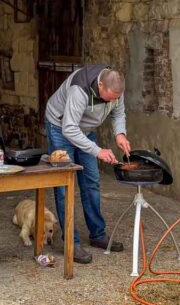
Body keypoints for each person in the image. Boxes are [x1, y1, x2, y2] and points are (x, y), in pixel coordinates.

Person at [44, 65, 131, 264]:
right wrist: (98, 150)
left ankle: (97, 234)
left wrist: (120, 134)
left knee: (91, 182)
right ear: (100, 85)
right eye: (109, 98)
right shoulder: (79, 89)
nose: (113, 101)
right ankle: (71, 243)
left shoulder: (115, 88)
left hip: (85, 129)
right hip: (61, 128)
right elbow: (69, 129)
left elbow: (118, 114)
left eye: (116, 98)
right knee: (65, 187)